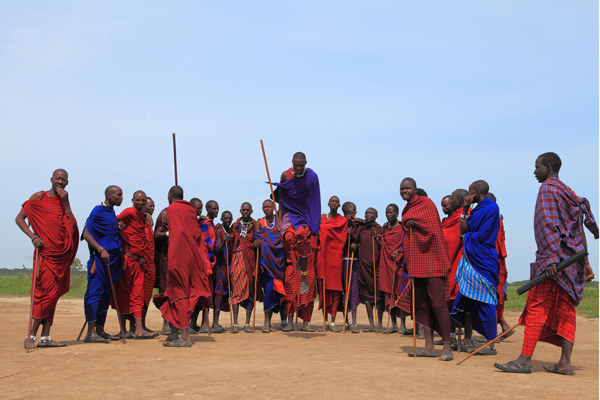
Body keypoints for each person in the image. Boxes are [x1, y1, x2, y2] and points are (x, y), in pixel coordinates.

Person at [495, 152, 599, 374]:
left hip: (554, 262)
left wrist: (551, 258)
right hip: (571, 262)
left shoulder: (548, 189)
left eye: (537, 167)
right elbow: (578, 229)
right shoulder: (567, 191)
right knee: (566, 310)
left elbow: (548, 225)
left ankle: (524, 361)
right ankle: (565, 363)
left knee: (536, 306)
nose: (534, 172)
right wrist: (586, 262)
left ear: (548, 167)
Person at [16, 169, 79, 349]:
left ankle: (45, 338)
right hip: (46, 255)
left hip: (62, 256)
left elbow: (71, 224)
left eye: (64, 180)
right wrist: (33, 236)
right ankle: (30, 337)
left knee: (53, 298)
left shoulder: (64, 201)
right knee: (44, 295)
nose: (60, 182)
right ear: (51, 179)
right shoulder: (39, 197)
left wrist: (66, 202)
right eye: (58, 179)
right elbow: (19, 218)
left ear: (67, 182)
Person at [400, 177, 453, 361]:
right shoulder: (407, 209)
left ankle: (446, 347)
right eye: (402, 189)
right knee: (421, 305)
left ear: (415, 189)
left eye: (407, 188)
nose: (404, 191)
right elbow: (406, 222)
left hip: (433, 261)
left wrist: (410, 222)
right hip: (416, 263)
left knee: (438, 304)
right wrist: (406, 223)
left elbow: (431, 228)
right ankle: (428, 347)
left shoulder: (426, 203)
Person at [156, 186, 212, 347]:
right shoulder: (190, 210)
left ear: (169, 195)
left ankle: (185, 336)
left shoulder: (171, 209)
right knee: (172, 293)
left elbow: (177, 233)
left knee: (179, 295)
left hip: (178, 257)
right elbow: (194, 233)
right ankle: (174, 333)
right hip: (192, 257)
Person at [450, 180, 500, 355]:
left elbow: (483, 234)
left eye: (471, 192)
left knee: (486, 301)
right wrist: (465, 210)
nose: (469, 196)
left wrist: (467, 236)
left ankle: (490, 343)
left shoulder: (491, 208)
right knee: (468, 300)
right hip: (471, 259)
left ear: (476, 191)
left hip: (483, 260)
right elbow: (463, 229)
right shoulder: (475, 209)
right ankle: (466, 337)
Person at [273, 152, 321, 332]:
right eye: (295, 164)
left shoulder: (312, 177)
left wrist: (315, 223)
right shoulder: (286, 175)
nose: (298, 167)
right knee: (290, 240)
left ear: (306, 164)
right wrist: (280, 221)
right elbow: (282, 200)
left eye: (301, 165)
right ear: (292, 163)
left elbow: (315, 200)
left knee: (307, 267)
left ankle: (305, 324)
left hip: (306, 217)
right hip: (289, 216)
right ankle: (291, 323)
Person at [80, 186, 124, 343]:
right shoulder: (98, 210)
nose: (121, 198)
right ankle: (90, 334)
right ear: (109, 195)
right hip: (100, 261)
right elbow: (86, 233)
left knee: (105, 295)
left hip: (112, 261)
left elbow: (107, 234)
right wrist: (100, 249)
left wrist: (118, 230)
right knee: (94, 294)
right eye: (118, 195)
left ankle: (100, 330)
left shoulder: (111, 212)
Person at [113, 190, 155, 339]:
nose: (140, 203)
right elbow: (115, 219)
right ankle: (123, 330)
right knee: (124, 294)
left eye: (143, 200)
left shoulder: (141, 217)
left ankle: (138, 329)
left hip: (138, 261)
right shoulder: (130, 212)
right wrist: (119, 229)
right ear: (132, 200)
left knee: (137, 294)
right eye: (138, 200)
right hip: (127, 259)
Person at [254, 200, 286, 333]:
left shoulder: (279, 222)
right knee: (268, 291)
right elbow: (257, 237)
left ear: (273, 208)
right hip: (266, 264)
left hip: (278, 262)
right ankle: (267, 322)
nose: (267, 209)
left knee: (277, 291)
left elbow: (281, 239)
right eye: (265, 207)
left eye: (269, 207)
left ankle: (283, 321)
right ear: (262, 208)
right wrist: (257, 243)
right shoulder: (259, 222)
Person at [316, 196, 347, 332]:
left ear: (339, 205)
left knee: (335, 288)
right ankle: (325, 321)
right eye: (332, 201)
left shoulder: (342, 220)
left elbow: (343, 237)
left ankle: (333, 321)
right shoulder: (321, 218)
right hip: (322, 257)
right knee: (323, 288)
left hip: (335, 258)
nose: (334, 203)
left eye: (336, 201)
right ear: (328, 204)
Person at [229, 202, 260, 333]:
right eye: (244, 210)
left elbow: (259, 239)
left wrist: (258, 243)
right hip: (237, 260)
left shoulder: (255, 225)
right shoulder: (235, 225)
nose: (246, 212)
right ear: (240, 211)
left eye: (248, 210)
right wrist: (228, 238)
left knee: (250, 289)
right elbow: (231, 241)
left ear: (251, 211)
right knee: (236, 290)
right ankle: (235, 323)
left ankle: (247, 323)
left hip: (250, 261)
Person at [352, 208, 385, 332]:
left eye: (370, 213)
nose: (367, 214)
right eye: (366, 212)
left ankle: (380, 323)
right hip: (364, 266)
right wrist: (355, 245)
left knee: (379, 296)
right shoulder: (362, 228)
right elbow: (356, 239)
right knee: (367, 297)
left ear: (376, 216)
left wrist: (376, 238)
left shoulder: (380, 229)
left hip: (376, 266)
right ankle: (371, 324)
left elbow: (385, 246)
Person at [377, 204, 407, 334]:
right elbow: (383, 245)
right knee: (389, 293)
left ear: (397, 213)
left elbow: (406, 244)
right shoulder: (385, 229)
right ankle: (393, 323)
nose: (389, 215)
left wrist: (400, 251)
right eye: (387, 212)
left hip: (399, 263)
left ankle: (403, 324)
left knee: (399, 292)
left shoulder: (401, 228)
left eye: (391, 212)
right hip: (386, 264)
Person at [488, 193, 513, 337]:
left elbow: (494, 244)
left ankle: (494, 333)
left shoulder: (494, 221)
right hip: (497, 262)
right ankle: (503, 327)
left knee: (493, 296)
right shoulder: (496, 219)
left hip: (495, 262)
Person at [341, 202, 360, 333]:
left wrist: (355, 243)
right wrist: (344, 234)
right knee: (344, 291)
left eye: (355, 211)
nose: (353, 213)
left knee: (353, 291)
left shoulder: (358, 224)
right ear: (345, 211)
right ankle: (345, 320)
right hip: (342, 262)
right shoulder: (340, 223)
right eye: (351, 211)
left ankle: (354, 322)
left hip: (354, 261)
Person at [213, 210, 233, 331]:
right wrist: (225, 241)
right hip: (220, 266)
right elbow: (217, 251)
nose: (228, 220)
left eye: (230, 218)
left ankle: (216, 323)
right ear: (221, 218)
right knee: (219, 292)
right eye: (225, 218)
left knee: (224, 292)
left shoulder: (231, 231)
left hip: (228, 265)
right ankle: (215, 323)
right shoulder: (219, 231)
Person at [154, 199, 170, 335]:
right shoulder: (165, 214)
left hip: (179, 257)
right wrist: (168, 233)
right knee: (165, 291)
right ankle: (166, 323)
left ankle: (178, 322)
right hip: (166, 257)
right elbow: (157, 234)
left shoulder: (183, 214)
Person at [141, 197, 157, 333]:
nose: (152, 209)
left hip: (150, 263)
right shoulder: (137, 219)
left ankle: (142, 324)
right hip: (139, 263)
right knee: (137, 295)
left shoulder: (149, 221)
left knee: (146, 296)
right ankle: (134, 326)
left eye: (153, 206)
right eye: (150, 206)